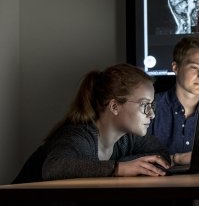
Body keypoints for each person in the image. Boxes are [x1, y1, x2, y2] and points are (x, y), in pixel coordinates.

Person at [12, 63, 171, 184]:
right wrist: (119, 168)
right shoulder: (79, 136)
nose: (152, 114)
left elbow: (161, 155)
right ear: (114, 106)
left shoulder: (127, 137)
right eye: (145, 106)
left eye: (152, 106)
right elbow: (53, 168)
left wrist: (130, 164)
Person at [148, 36, 199, 166]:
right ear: (175, 67)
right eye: (195, 67)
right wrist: (175, 159)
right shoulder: (150, 108)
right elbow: (130, 157)